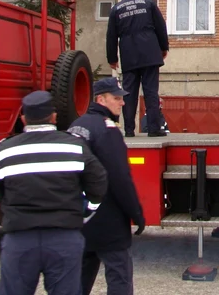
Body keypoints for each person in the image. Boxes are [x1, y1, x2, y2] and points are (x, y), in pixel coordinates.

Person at [0, 90, 108, 295]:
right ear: (54, 116)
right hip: (64, 237)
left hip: (19, 239)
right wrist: (87, 211)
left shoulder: (5, 150)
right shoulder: (74, 146)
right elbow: (98, 181)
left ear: (24, 118)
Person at [68, 77, 146, 295]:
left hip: (81, 217)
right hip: (108, 220)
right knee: (119, 278)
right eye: (116, 98)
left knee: (79, 278)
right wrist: (136, 214)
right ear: (101, 99)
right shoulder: (107, 129)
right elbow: (120, 177)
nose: (122, 103)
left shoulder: (76, 126)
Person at [106, 0, 169, 137]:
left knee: (129, 93)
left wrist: (112, 58)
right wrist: (163, 48)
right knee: (151, 92)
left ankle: (129, 130)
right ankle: (154, 128)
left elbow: (111, 36)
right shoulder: (148, 3)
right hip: (150, 53)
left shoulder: (117, 9)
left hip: (129, 56)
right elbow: (161, 27)